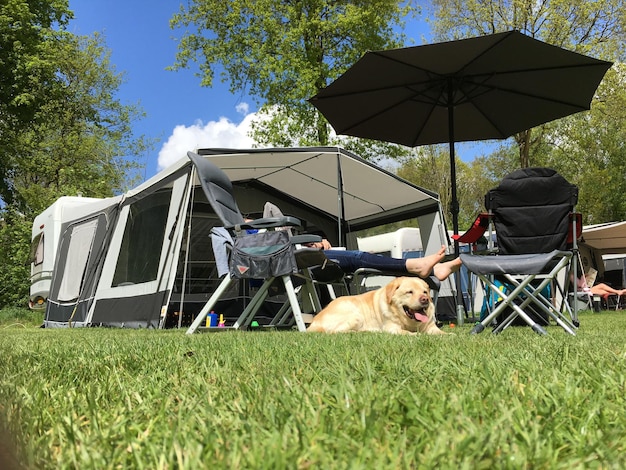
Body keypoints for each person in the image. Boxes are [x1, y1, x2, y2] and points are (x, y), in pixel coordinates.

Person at [305, 239, 461, 281]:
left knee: (361, 261)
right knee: (358, 257)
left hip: (301, 257)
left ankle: (433, 270)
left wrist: (315, 243)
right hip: (295, 261)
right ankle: (423, 267)